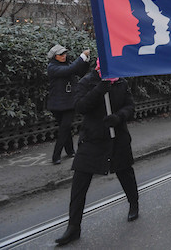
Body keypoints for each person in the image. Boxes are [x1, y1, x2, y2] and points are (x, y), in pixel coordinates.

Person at [55, 60, 138, 246]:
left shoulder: (121, 82)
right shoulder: (87, 82)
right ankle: (73, 227)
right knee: (79, 183)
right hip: (92, 140)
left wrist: (119, 117)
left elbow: (130, 107)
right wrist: (100, 88)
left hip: (117, 138)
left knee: (125, 172)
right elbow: (81, 106)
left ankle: (134, 203)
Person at [46, 44, 91, 165]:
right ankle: (70, 151)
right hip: (57, 104)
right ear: (55, 56)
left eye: (65, 53)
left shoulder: (66, 64)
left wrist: (86, 60)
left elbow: (80, 71)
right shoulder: (52, 67)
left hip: (69, 102)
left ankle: (56, 155)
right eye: (61, 54)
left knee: (64, 127)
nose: (64, 56)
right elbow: (70, 70)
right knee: (64, 128)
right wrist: (82, 56)